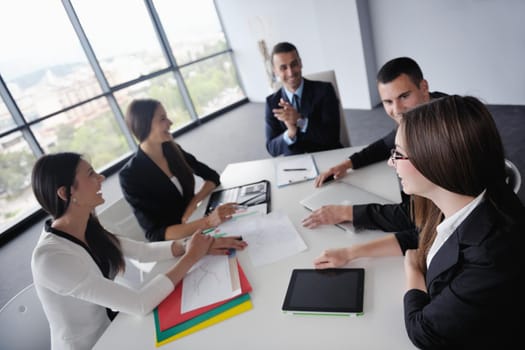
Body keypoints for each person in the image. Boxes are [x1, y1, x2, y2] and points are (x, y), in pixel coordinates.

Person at [313, 95, 525, 348]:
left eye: (399, 155)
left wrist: (413, 271)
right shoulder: (455, 197)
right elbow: (421, 235)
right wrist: (351, 252)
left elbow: (424, 332)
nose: (391, 163)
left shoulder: (492, 255)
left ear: (437, 160)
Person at [30, 152, 247, 350]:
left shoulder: (86, 225)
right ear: (65, 193)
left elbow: (143, 251)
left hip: (119, 329)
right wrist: (191, 256)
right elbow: (138, 303)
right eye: (90, 174)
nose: (101, 177)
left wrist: (194, 245)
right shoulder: (51, 258)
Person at [303, 57, 446, 231]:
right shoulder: (419, 114)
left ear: (423, 87)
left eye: (404, 96)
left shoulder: (442, 132)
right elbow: (387, 143)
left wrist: (348, 213)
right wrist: (347, 163)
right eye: (388, 102)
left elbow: (417, 215)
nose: (397, 110)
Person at [119, 98, 237, 242]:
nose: (170, 122)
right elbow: (155, 234)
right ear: (144, 125)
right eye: (162, 119)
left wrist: (193, 205)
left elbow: (212, 176)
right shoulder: (130, 176)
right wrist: (207, 222)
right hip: (177, 242)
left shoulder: (172, 149)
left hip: (199, 224)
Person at [265, 42, 343, 156]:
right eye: (283, 68)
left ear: (300, 63)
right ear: (275, 71)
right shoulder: (271, 103)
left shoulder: (325, 90)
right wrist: (290, 133)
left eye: (294, 64)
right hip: (295, 164)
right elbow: (272, 149)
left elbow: (332, 136)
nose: (290, 72)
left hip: (327, 157)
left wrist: (300, 121)